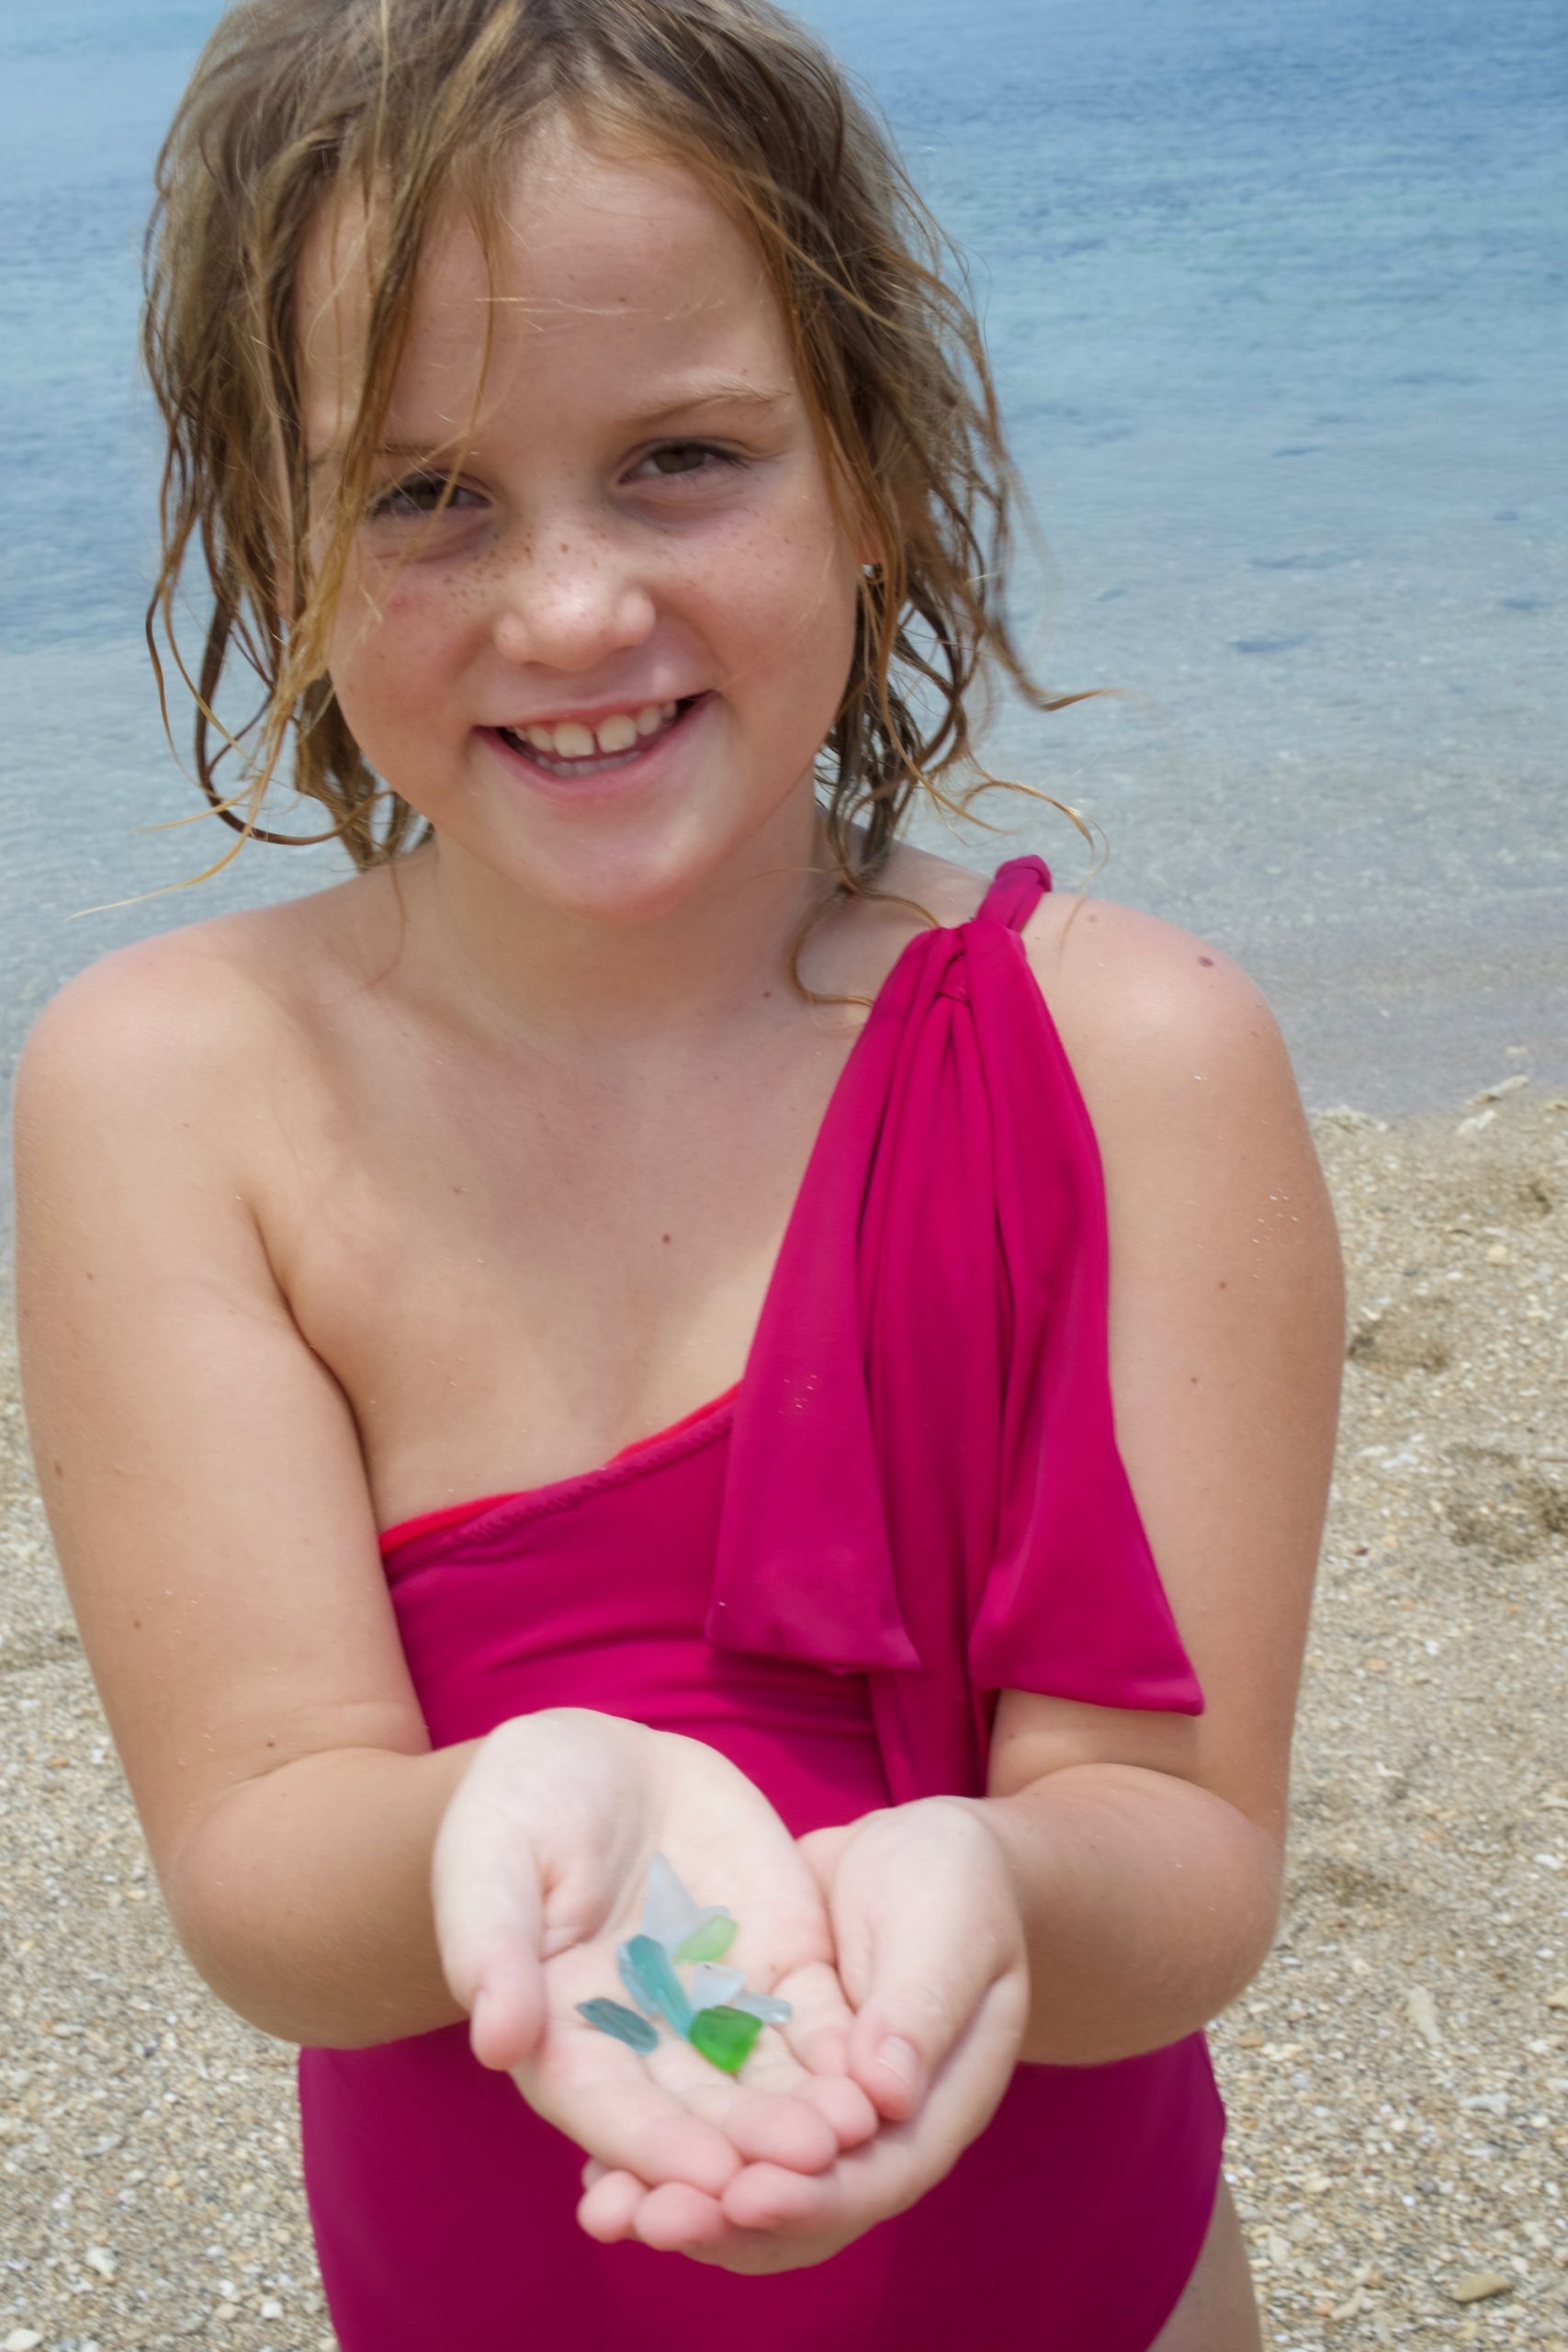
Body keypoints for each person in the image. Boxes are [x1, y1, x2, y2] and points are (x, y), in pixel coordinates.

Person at [12, 1, 1344, 2345]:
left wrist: (1002, 1886)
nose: (566, 611)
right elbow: (258, 1844)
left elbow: (1183, 1854)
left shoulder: (1135, 1058)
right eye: (422, 494)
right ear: (270, 532)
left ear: (877, 465)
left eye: (680, 461)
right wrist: (492, 1811)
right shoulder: (175, 1086)